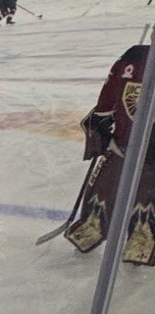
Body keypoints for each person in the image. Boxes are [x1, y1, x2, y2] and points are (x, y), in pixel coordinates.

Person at [65, 43, 154, 266]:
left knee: (110, 180)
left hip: (124, 147)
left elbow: (106, 105)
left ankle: (93, 226)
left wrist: (98, 126)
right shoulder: (133, 56)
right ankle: (142, 240)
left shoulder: (133, 55)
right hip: (140, 152)